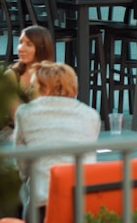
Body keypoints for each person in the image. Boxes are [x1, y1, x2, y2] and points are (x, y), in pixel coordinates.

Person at [13, 61, 101, 218]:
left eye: (33, 88)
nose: (30, 92)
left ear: (45, 90)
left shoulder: (26, 112)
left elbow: (22, 162)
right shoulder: (91, 115)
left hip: (45, 203)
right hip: (85, 201)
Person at [0, 25, 56, 142]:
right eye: (20, 42)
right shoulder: (11, 76)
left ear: (41, 49)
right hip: (12, 130)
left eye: (29, 44)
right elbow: (17, 118)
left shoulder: (53, 75)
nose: (21, 48)